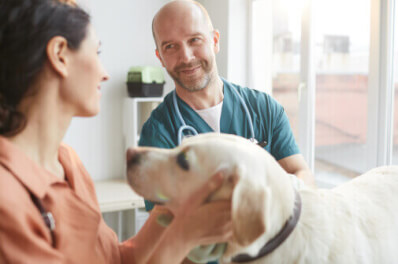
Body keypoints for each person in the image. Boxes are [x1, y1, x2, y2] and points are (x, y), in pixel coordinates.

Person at [0, 0, 232, 263]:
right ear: (60, 55)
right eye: (96, 53)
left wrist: (175, 203)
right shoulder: (7, 195)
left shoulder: (68, 163)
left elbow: (117, 258)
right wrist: (185, 236)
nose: (105, 74)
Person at [140, 0, 315, 209]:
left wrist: (270, 197)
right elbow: (163, 220)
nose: (186, 57)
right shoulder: (158, 134)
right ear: (160, 57)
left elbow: (302, 174)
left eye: (195, 40)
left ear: (214, 41)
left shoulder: (264, 108)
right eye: (170, 46)